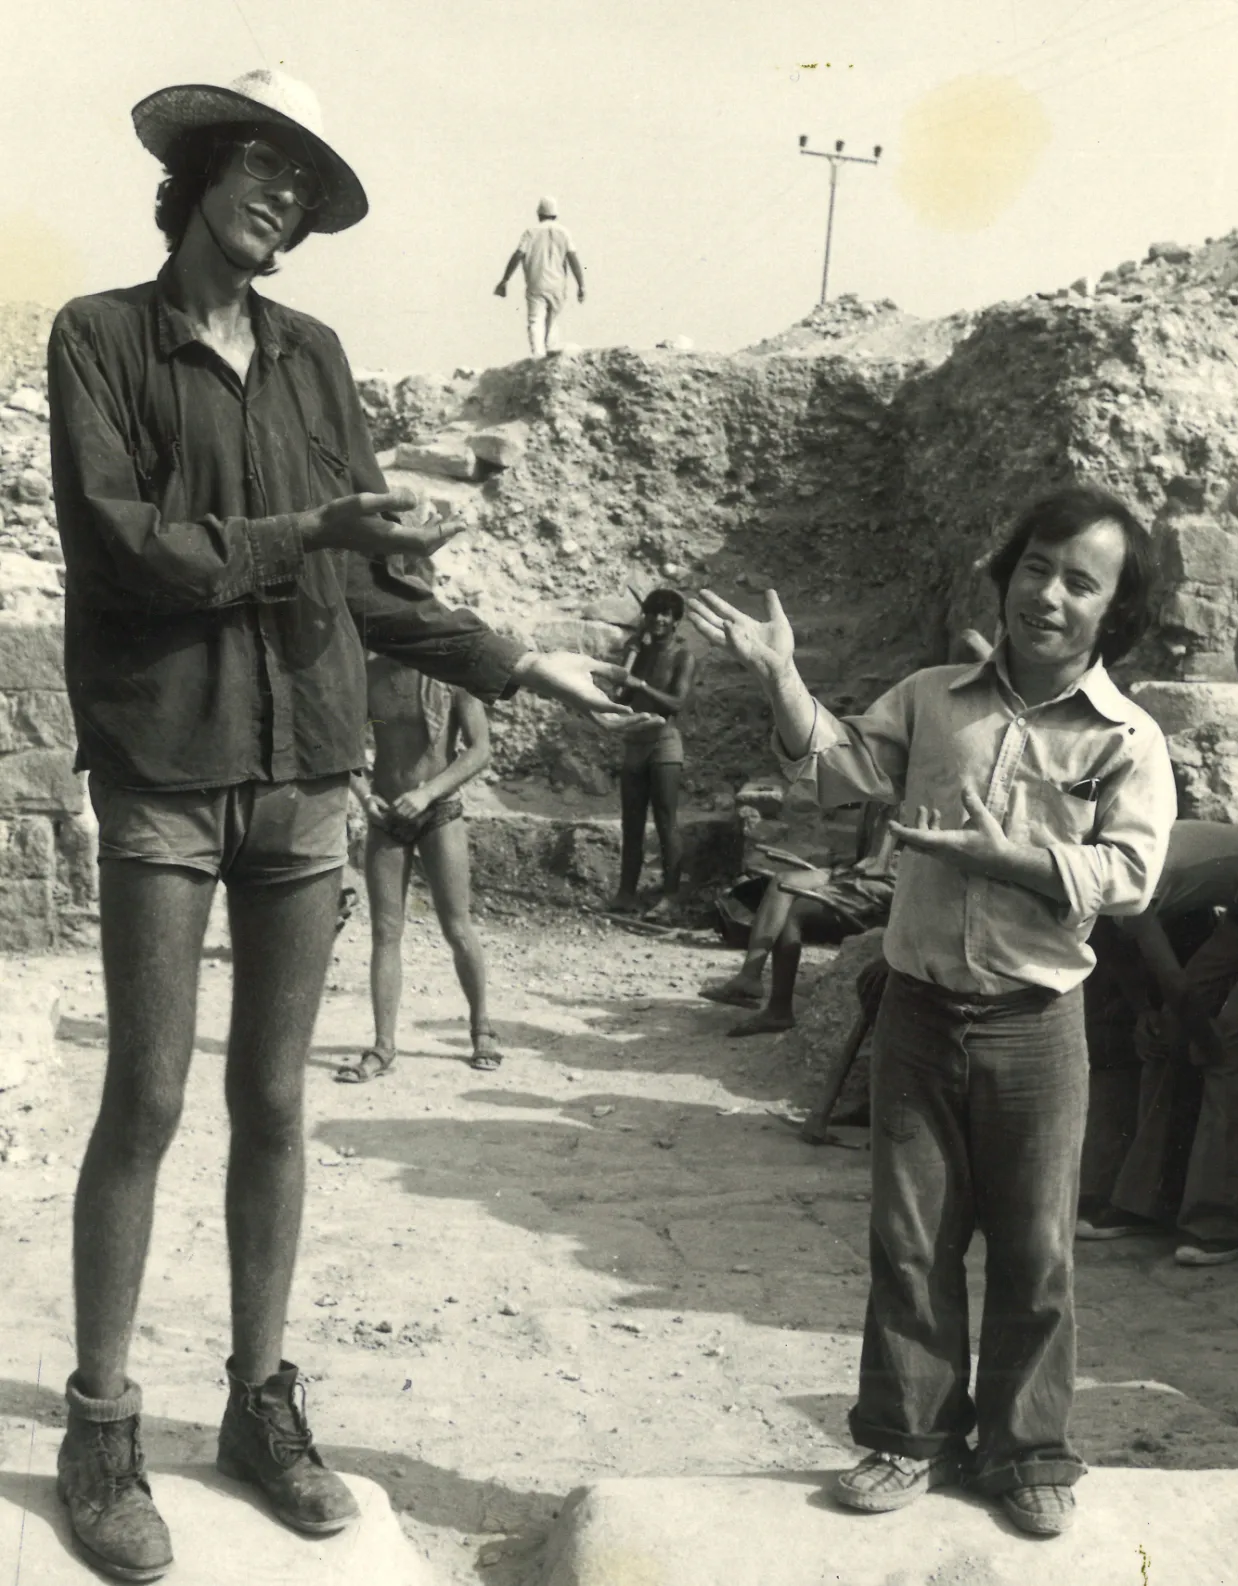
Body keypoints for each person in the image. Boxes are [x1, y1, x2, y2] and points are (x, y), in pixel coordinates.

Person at [46, 68, 650, 1583]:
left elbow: (371, 579)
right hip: (167, 771)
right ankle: (102, 1424)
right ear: (198, 171)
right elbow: (125, 553)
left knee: (274, 1100)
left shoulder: (315, 357)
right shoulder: (99, 337)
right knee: (146, 1097)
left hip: (309, 774)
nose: (283, 196)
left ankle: (259, 1402)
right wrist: (308, 531)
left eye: (305, 183)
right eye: (262, 163)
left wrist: (522, 663)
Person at [690, 485, 1175, 1538]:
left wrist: (1014, 860)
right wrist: (780, 677)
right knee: (908, 1243)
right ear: (1006, 576)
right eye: (1035, 567)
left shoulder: (1126, 738)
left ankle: (1025, 1452)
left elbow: (1133, 877)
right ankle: (909, 1439)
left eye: (1079, 582)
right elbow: (836, 776)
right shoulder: (930, 697)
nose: (1048, 595)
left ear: (1114, 612)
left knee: (1036, 1252)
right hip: (916, 1010)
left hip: (1036, 1026)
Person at [1078, 819, 1238, 1265]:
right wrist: (1147, 1016)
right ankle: (1145, 1204)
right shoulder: (1094, 871)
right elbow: (1115, 951)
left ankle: (1224, 1224)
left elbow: (1177, 984)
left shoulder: (1131, 870)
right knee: (1164, 1037)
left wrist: (1206, 1039)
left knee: (1229, 1054)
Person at [340, 652, 504, 1079]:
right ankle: (383, 1047)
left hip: (440, 811)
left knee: (457, 926)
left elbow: (480, 749)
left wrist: (428, 793)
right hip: (387, 814)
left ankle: (482, 1028)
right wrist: (365, 798)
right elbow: (343, 746)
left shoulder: (454, 672)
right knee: (385, 932)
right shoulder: (369, 675)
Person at [700, 800, 895, 1036]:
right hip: (860, 875)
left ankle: (778, 1010)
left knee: (793, 910)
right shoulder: (879, 801)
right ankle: (749, 976)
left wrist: (845, 874)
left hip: (882, 888)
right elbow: (869, 857)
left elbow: (886, 867)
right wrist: (842, 870)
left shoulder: (909, 801)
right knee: (782, 881)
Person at [608, 588, 697, 913]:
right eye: (652, 613)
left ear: (675, 621)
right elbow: (619, 699)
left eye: (665, 614)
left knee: (665, 821)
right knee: (631, 824)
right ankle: (625, 895)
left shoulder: (683, 657)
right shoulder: (639, 655)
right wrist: (627, 663)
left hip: (664, 746)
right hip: (634, 744)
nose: (658, 619)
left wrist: (642, 685)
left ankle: (670, 897)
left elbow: (677, 703)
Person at [493, 195, 586, 357]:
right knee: (552, 319)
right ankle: (550, 350)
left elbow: (518, 255)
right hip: (558, 284)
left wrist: (505, 280)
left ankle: (538, 355)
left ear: (539, 214)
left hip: (536, 282)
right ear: (556, 214)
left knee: (535, 319)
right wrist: (581, 285)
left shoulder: (531, 233)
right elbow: (573, 259)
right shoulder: (564, 233)